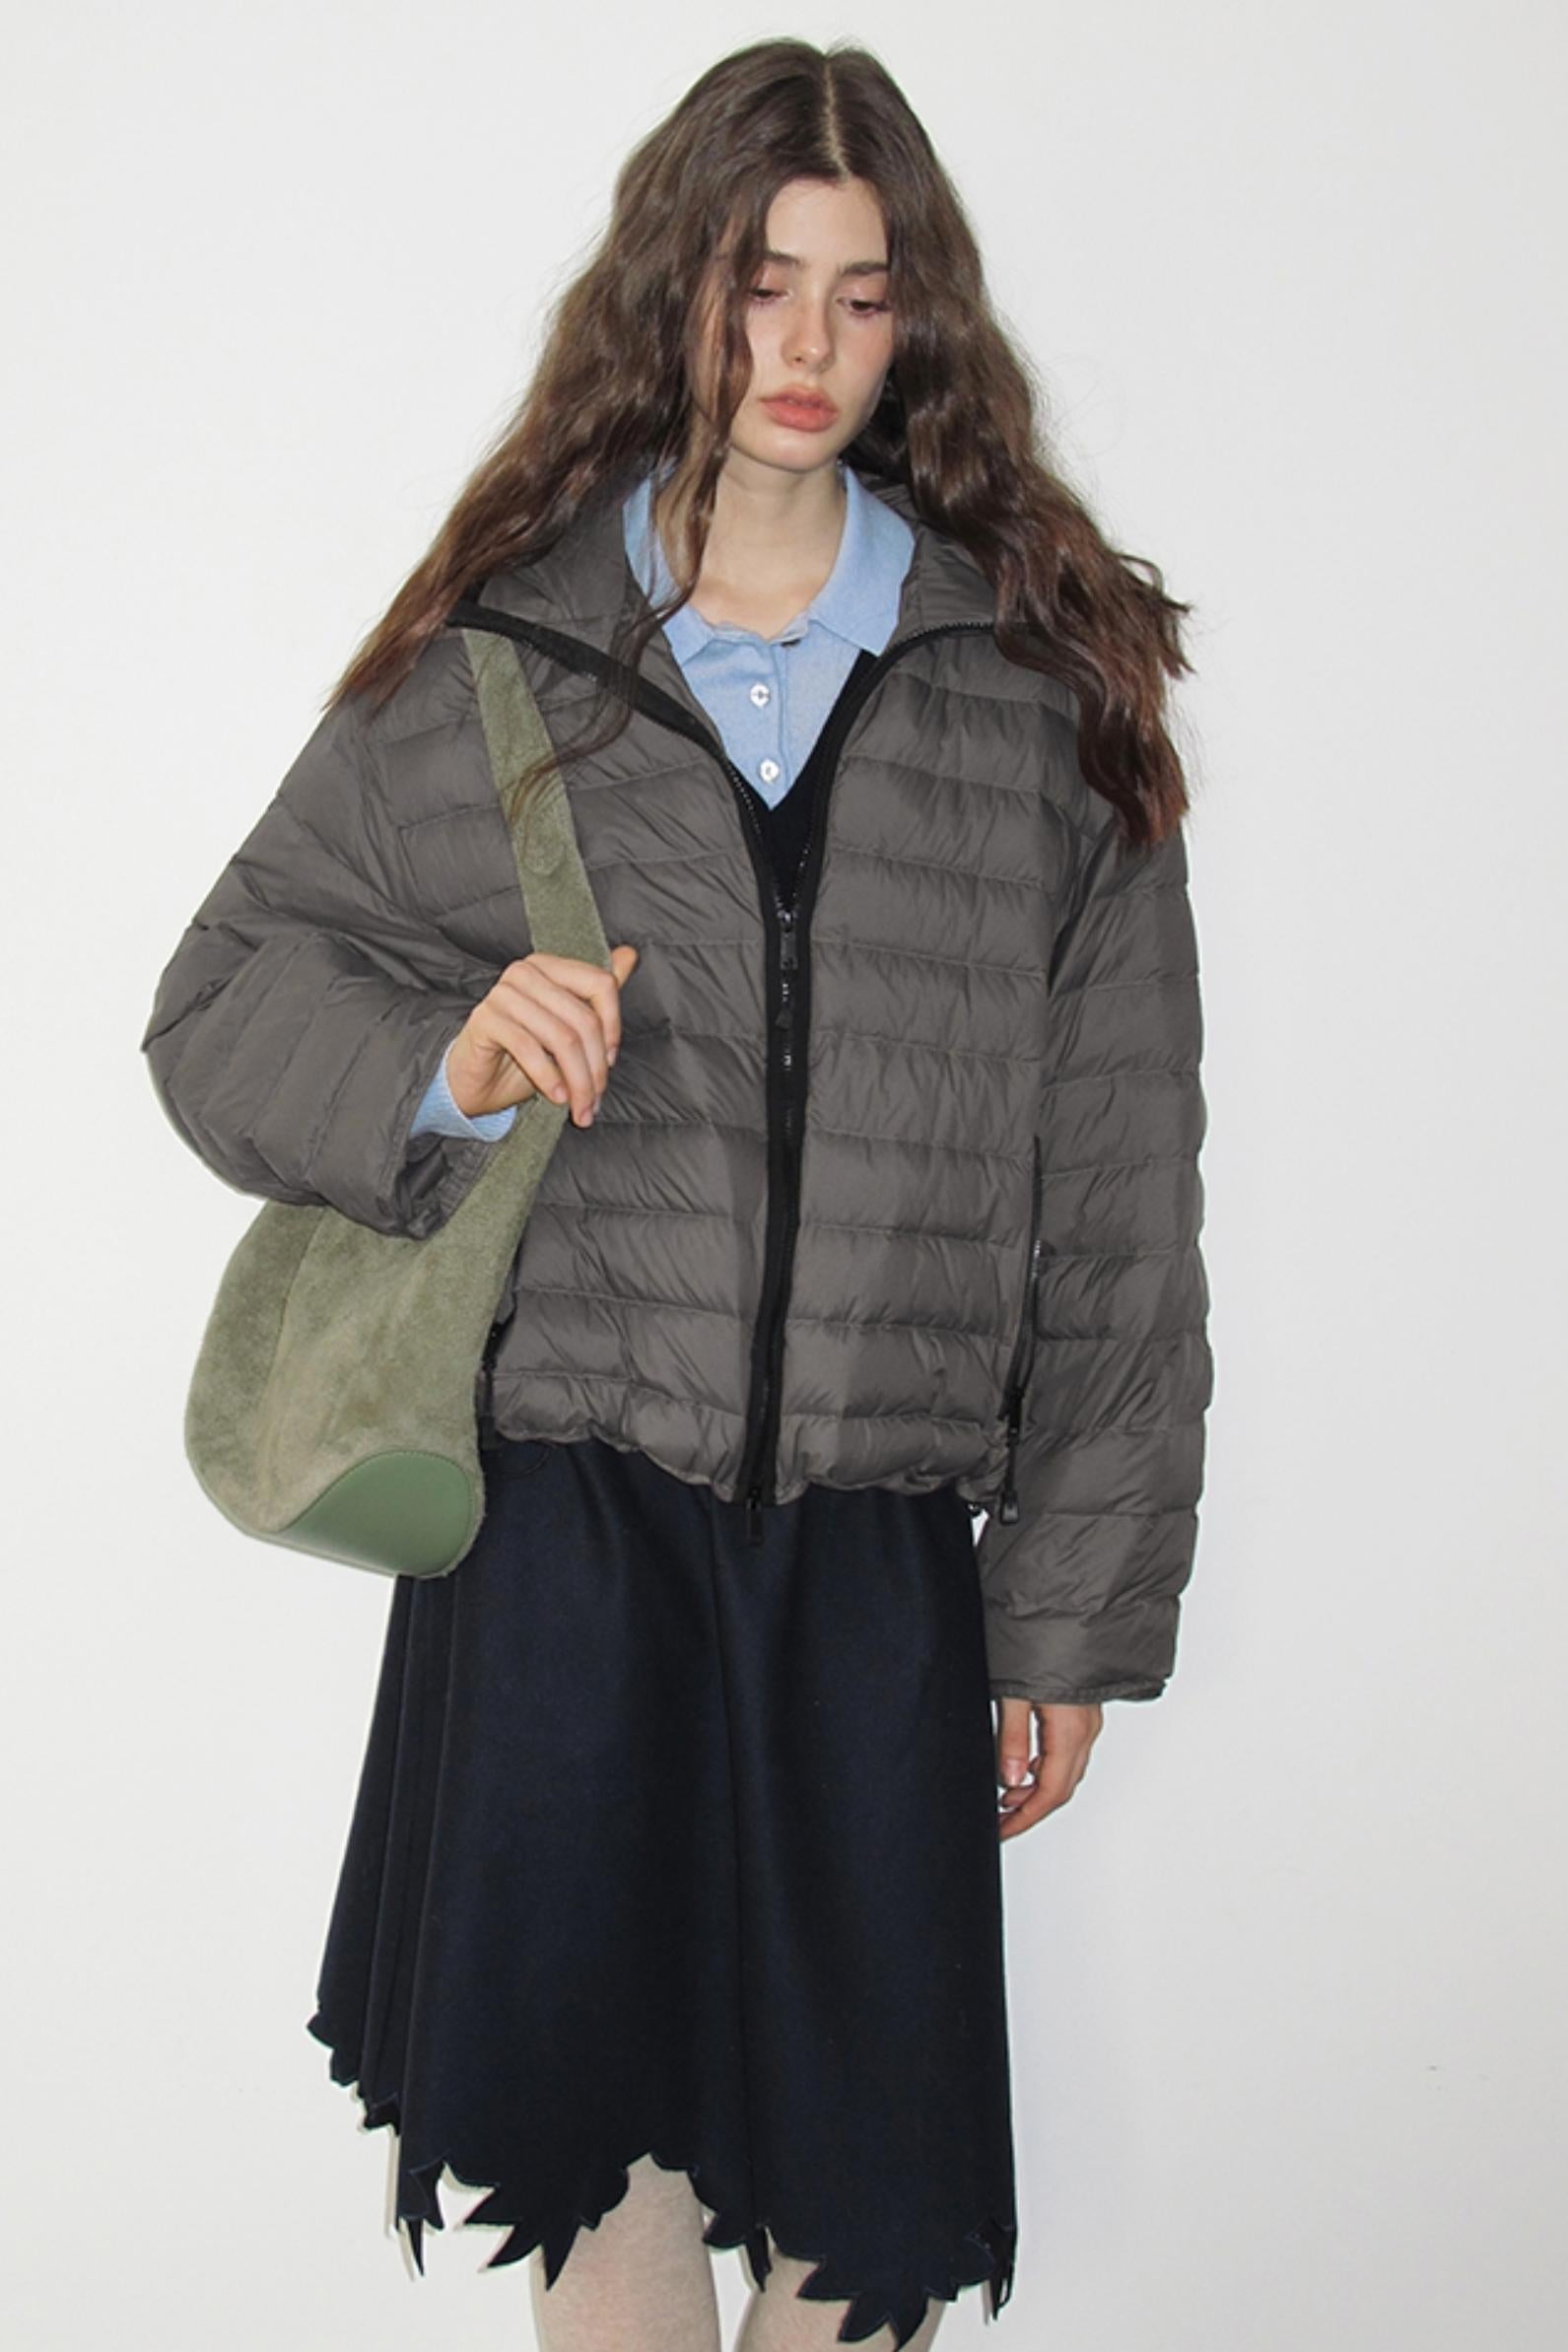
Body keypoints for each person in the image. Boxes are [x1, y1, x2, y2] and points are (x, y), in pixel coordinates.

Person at [138, 35, 1212, 2352]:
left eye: (862, 292)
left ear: (918, 320)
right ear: (678, 293)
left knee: (869, 2207)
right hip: (571, 1533)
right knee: (594, 2153)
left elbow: (1123, 1203)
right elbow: (214, 1011)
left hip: (873, 1553)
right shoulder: (510, 656)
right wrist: (447, 1056)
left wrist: (1067, 1608)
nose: (808, 345)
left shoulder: (1034, 698)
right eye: (761, 283)